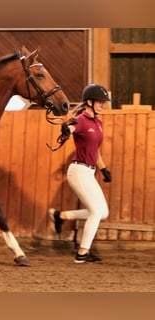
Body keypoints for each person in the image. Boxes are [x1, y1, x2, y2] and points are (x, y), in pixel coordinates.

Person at [48, 83, 112, 263]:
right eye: (100, 102)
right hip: (78, 171)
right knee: (95, 212)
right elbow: (71, 128)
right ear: (89, 102)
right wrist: (66, 129)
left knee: (103, 213)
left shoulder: (98, 122)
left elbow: (95, 150)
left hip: (90, 172)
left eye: (104, 102)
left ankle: (61, 216)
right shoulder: (81, 119)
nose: (103, 105)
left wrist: (104, 169)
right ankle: (82, 253)